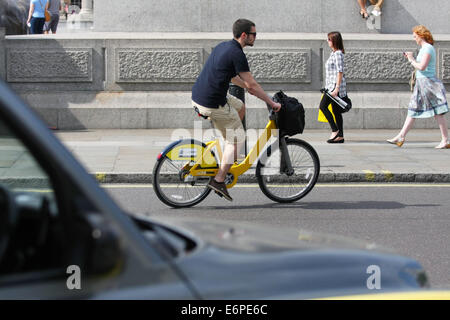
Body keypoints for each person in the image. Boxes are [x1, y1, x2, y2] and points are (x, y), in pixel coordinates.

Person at [191, 19, 282, 201]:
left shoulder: (224, 47)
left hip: (201, 95)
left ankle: (229, 151)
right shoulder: (237, 54)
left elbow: (232, 76)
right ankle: (219, 179)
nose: (256, 37)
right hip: (212, 102)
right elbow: (253, 84)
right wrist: (272, 103)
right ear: (244, 35)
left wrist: (246, 86)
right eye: (253, 34)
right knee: (239, 138)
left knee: (241, 107)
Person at [387, 25, 449, 149]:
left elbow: (422, 67)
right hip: (422, 84)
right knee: (413, 109)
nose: (414, 38)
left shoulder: (428, 48)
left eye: (415, 36)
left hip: (429, 84)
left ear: (421, 36)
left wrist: (411, 59)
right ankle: (401, 136)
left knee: (438, 111)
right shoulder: (424, 48)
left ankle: (445, 140)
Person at [319, 31, 350, 144]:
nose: (328, 41)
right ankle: (340, 136)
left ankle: (335, 130)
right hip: (330, 87)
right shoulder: (334, 53)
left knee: (322, 106)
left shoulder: (338, 54)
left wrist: (336, 88)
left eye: (329, 39)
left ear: (334, 41)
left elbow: (340, 71)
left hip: (334, 88)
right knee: (336, 111)